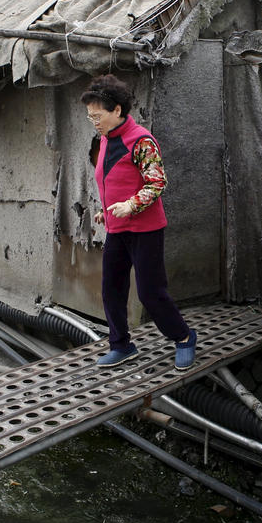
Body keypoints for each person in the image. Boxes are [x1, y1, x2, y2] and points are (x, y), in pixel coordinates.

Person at [81, 74, 196, 369]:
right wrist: (106, 210)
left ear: (117, 110)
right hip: (117, 228)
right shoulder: (106, 139)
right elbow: (114, 181)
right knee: (111, 288)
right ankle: (121, 345)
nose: (93, 121)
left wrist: (130, 205)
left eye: (97, 115)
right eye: (89, 116)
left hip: (145, 229)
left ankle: (183, 337)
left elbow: (156, 183)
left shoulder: (141, 140)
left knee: (149, 292)